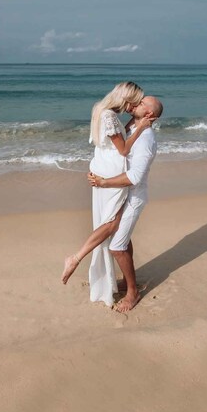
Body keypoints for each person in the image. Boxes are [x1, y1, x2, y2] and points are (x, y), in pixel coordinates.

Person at [61, 82, 155, 307]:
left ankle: (121, 282)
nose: (134, 105)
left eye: (140, 102)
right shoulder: (112, 117)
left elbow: (106, 146)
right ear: (125, 97)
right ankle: (76, 258)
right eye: (135, 100)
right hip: (111, 178)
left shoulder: (102, 110)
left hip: (108, 176)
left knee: (116, 230)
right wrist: (140, 126)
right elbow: (122, 150)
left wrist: (138, 124)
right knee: (113, 226)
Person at [87, 95, 163, 312]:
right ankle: (127, 281)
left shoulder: (146, 140)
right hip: (121, 194)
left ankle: (133, 292)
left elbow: (135, 176)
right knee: (123, 240)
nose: (135, 103)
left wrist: (104, 182)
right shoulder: (132, 126)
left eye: (141, 103)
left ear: (149, 114)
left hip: (133, 198)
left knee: (117, 246)